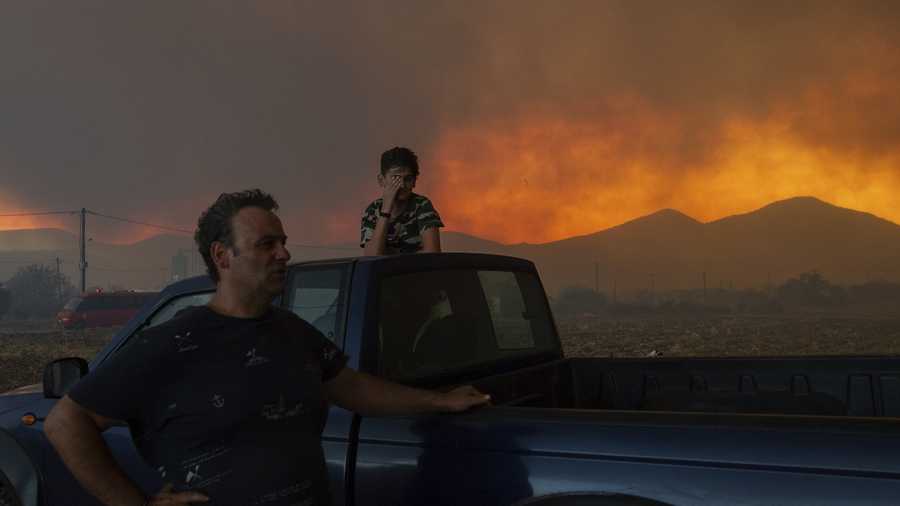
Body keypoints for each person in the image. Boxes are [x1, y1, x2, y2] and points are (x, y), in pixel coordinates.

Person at [44, 189, 490, 506]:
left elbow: (352, 388)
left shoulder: (293, 333)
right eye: (266, 244)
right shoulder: (170, 342)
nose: (284, 254)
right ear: (222, 256)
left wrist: (440, 400)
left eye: (284, 243)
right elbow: (67, 422)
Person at [361, 146, 444, 255]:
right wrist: (386, 209)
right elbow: (371, 256)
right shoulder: (373, 210)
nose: (402, 185)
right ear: (382, 180)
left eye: (408, 179)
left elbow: (433, 253)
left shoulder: (421, 205)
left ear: (414, 181)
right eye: (396, 178)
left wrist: (392, 259)